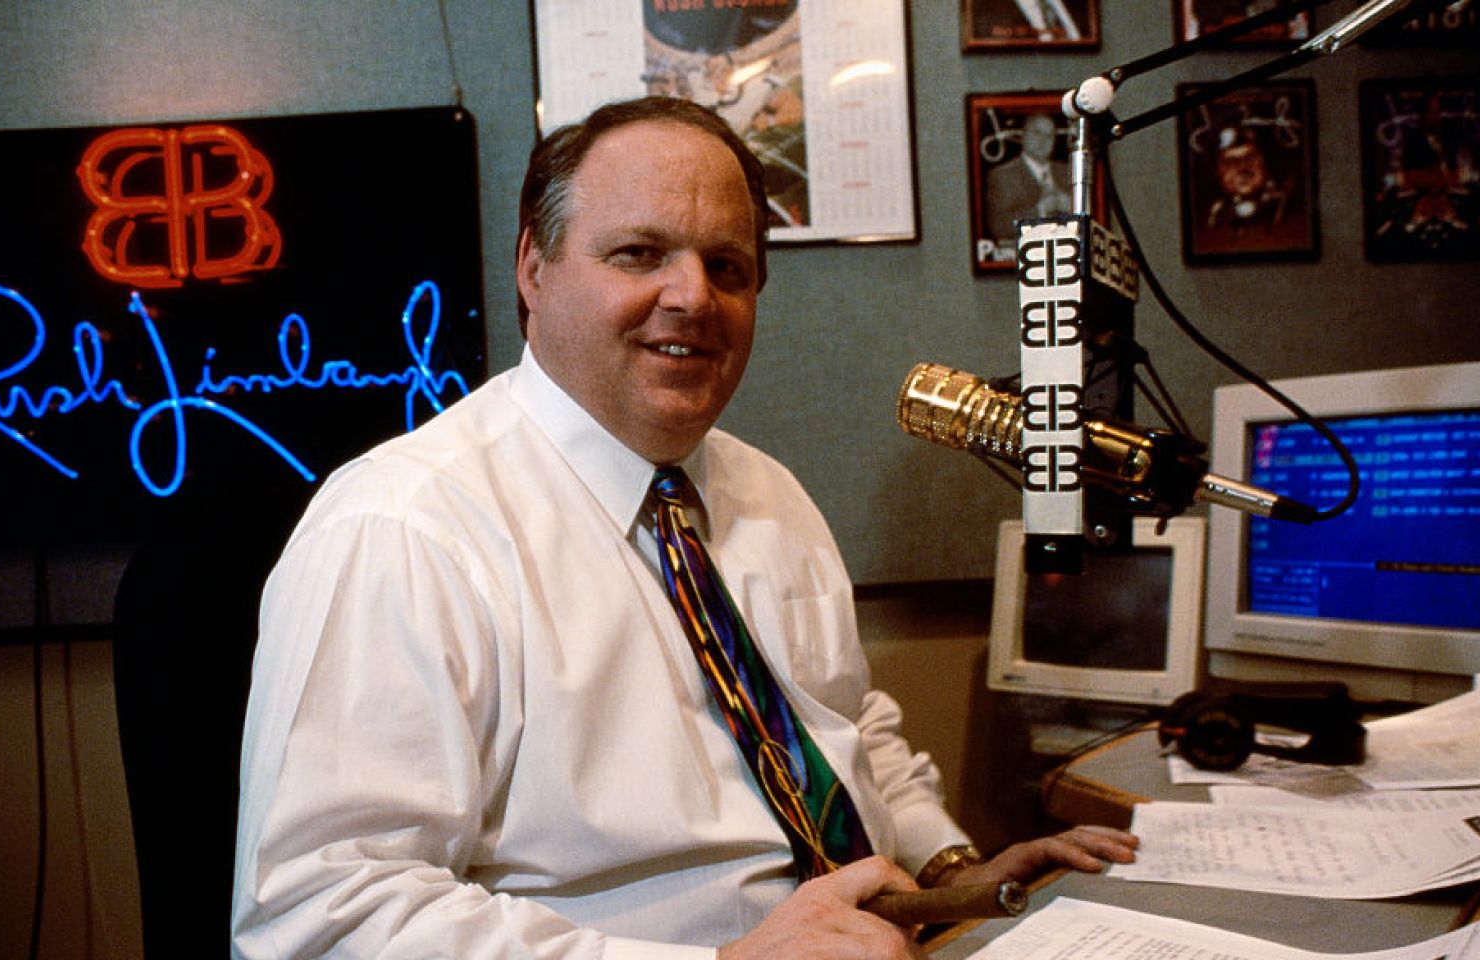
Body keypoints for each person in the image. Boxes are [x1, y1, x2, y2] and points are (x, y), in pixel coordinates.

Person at [231, 95, 1137, 959]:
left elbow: (847, 726)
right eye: (637, 253)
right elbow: (323, 917)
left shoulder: (766, 491)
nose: (693, 297)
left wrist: (957, 874)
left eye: (728, 267)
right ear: (533, 269)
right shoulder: (405, 528)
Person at [983, 111, 1073, 243]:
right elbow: (998, 226)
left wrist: (1073, 206)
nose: (1043, 140)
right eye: (1037, 133)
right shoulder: (1002, 176)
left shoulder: (1068, 171)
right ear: (1023, 135)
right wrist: (1039, 211)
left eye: (1049, 135)